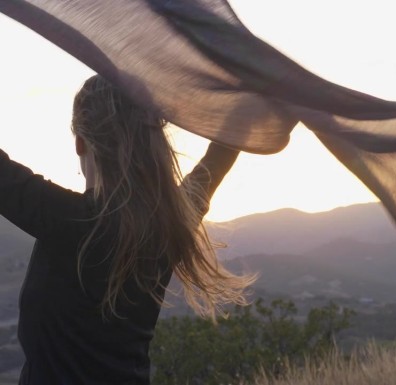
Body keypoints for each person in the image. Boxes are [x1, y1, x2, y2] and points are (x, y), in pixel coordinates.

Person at [0, 75, 254, 384]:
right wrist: (262, 98)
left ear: (80, 142)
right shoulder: (167, 226)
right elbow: (217, 160)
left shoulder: (69, 220)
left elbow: (215, 162)